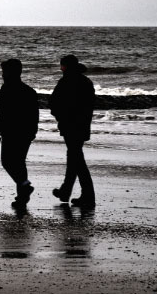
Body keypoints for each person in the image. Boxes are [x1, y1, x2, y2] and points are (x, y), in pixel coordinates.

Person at [49, 54, 96, 208]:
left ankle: (86, 194)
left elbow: (54, 102)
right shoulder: (85, 82)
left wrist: (60, 116)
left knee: (76, 160)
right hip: (82, 125)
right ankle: (66, 191)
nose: (61, 69)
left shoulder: (67, 81)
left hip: (71, 125)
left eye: (62, 66)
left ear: (66, 67)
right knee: (74, 157)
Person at [0, 58, 39, 207]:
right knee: (19, 163)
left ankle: (24, 187)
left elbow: (1, 112)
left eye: (4, 72)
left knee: (7, 162)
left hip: (11, 131)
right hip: (25, 132)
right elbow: (34, 115)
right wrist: (33, 131)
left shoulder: (6, 89)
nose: (2, 75)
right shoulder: (29, 91)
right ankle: (22, 197)